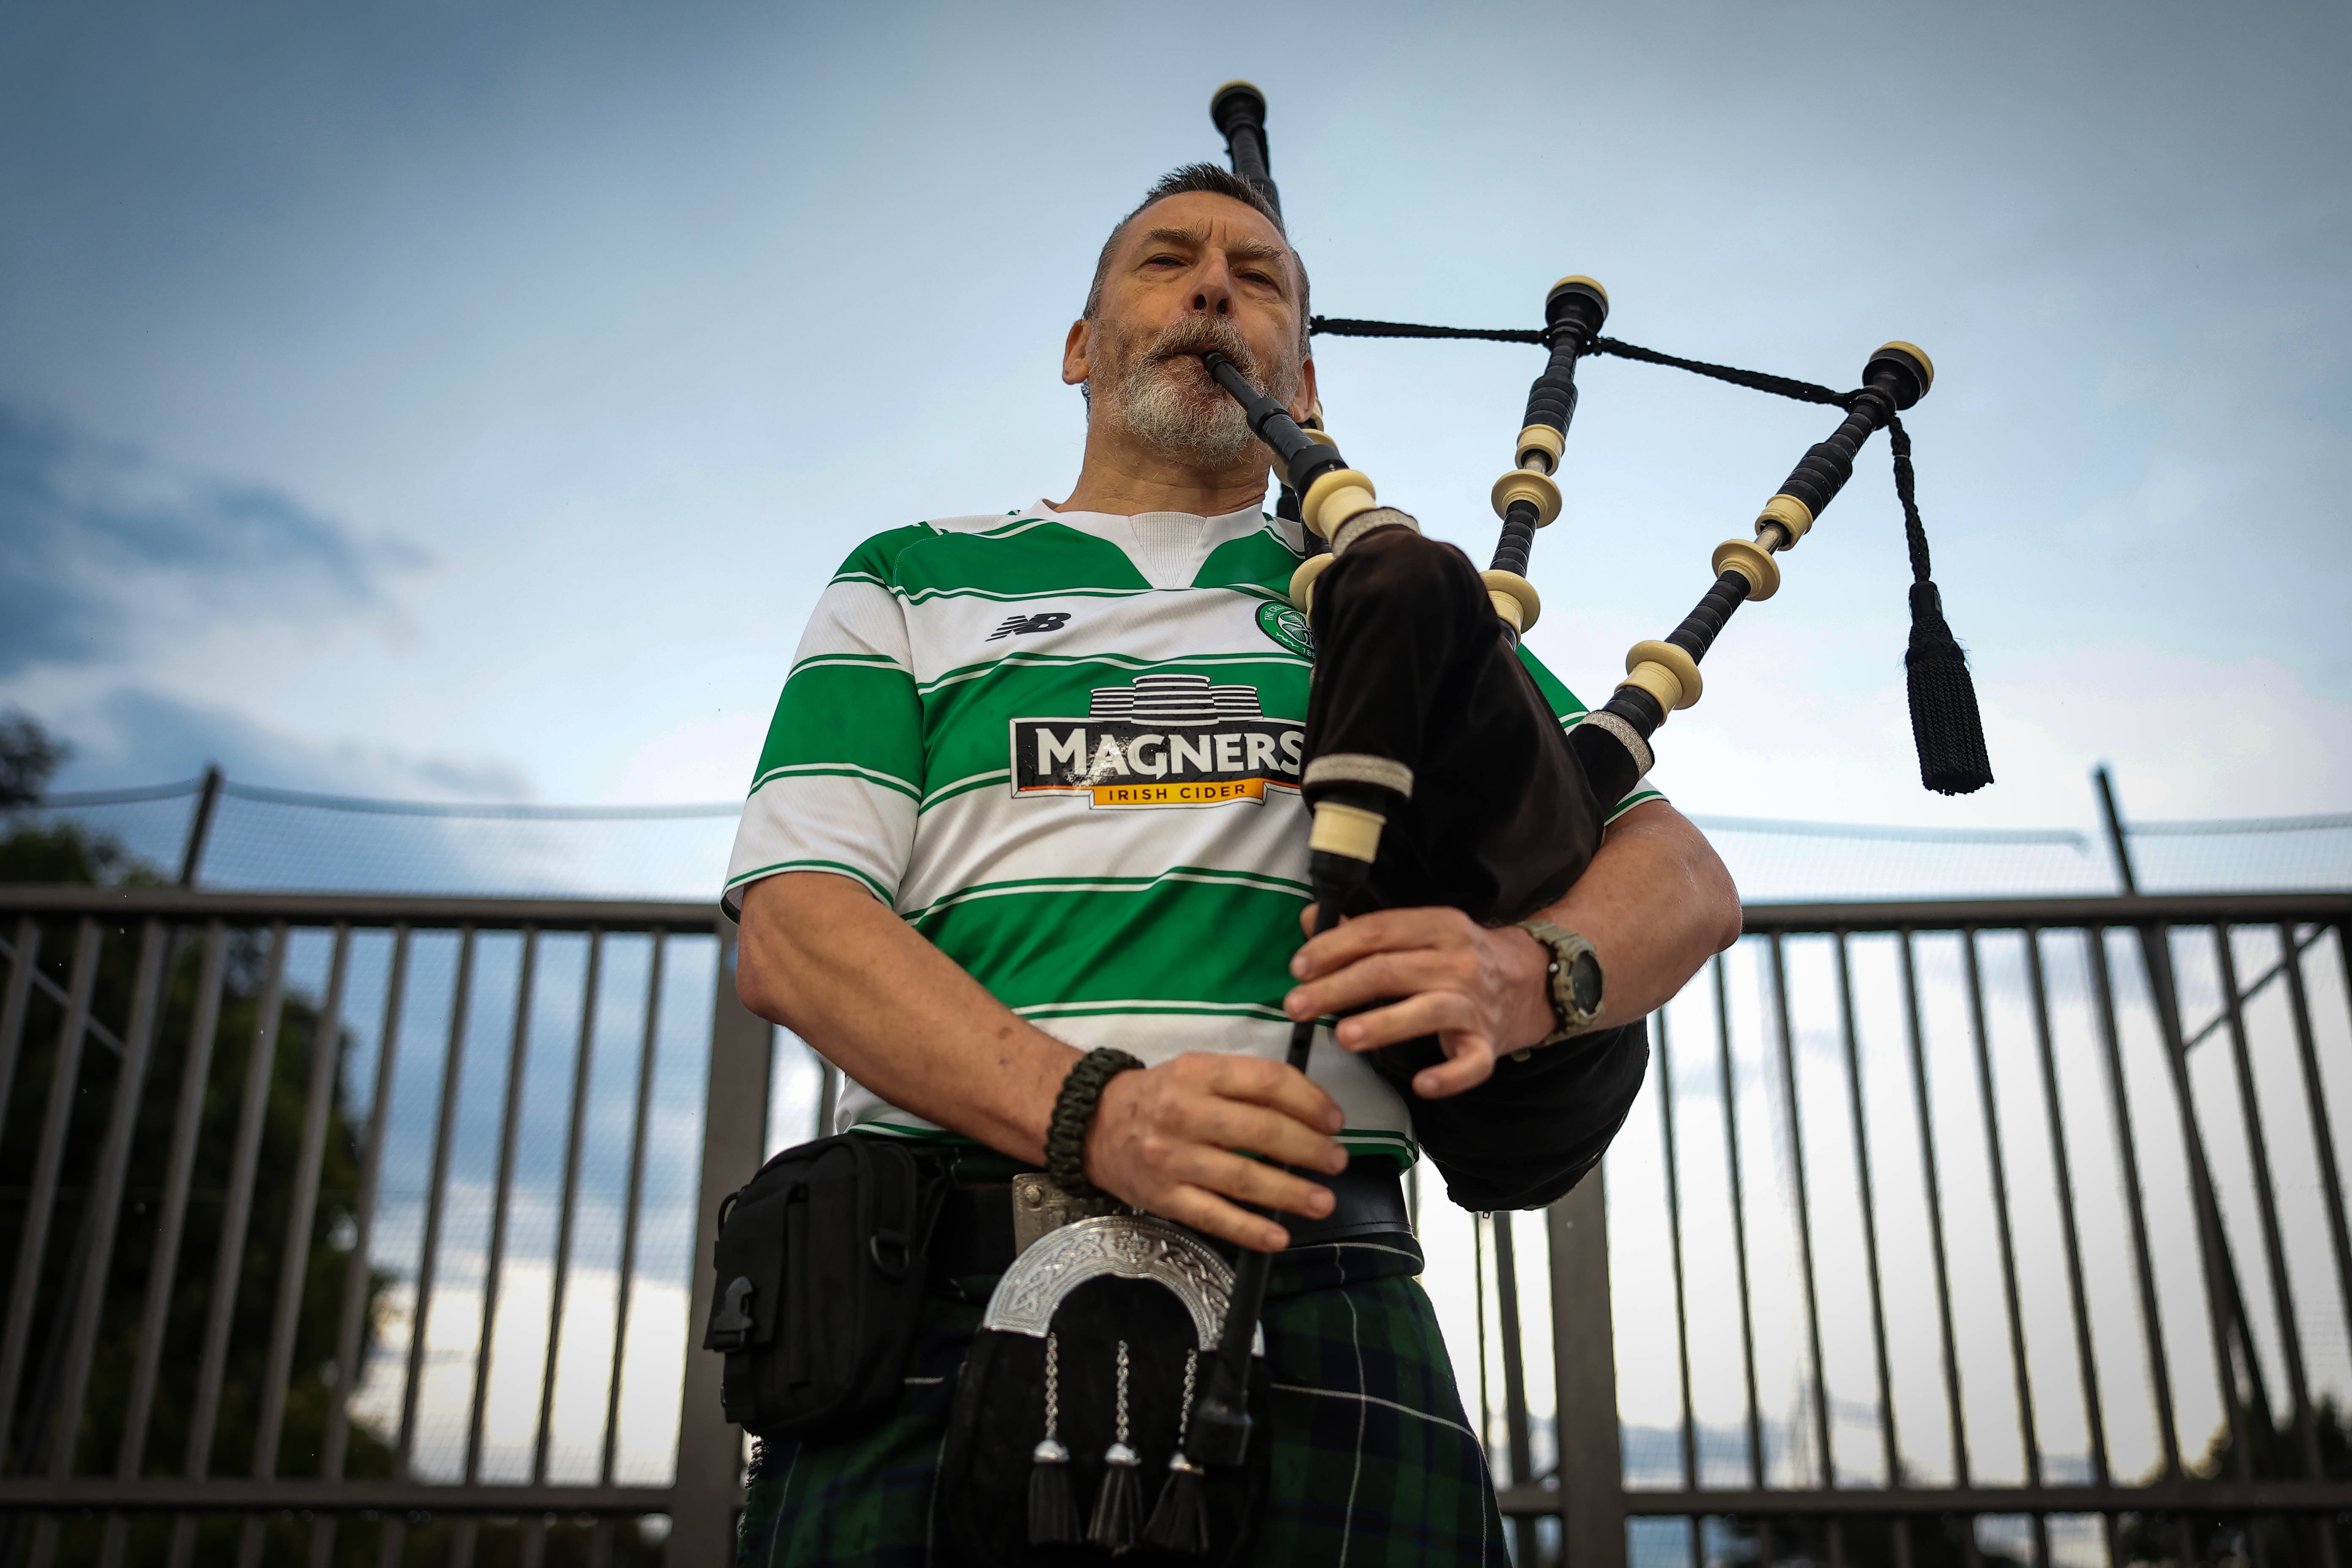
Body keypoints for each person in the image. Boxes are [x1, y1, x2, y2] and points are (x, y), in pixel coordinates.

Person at [725, 162, 1742, 1565]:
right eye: (1167, 262)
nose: (1214, 285)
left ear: (1303, 378)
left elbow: (1679, 872)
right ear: (1082, 350)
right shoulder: (910, 578)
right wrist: (1099, 1114)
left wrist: (1524, 974)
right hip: (938, 1266)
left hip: (1323, 1271)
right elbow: (797, 925)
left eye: (1258, 277)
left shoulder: (1375, 594)